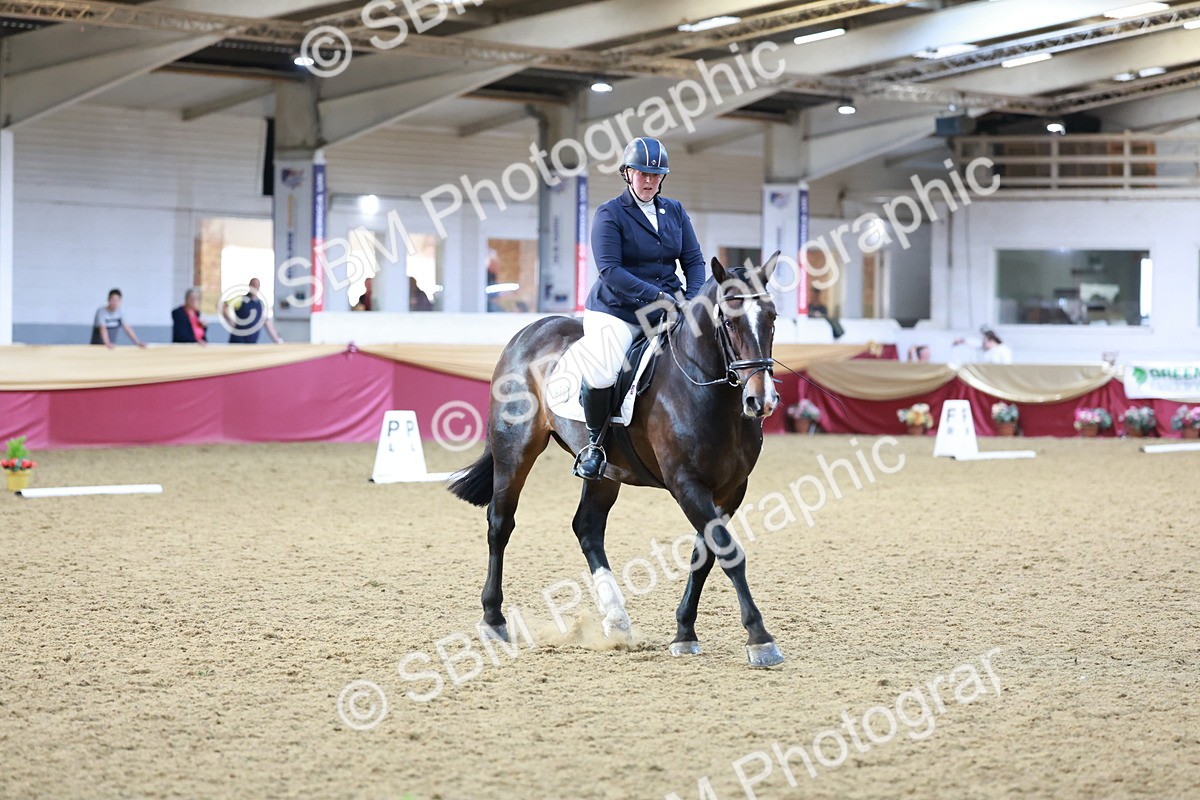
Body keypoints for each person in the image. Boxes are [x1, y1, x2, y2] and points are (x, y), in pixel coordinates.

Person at [572, 136, 706, 481]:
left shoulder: (674, 211)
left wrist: (691, 299)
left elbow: (693, 260)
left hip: (670, 307)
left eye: (655, 174)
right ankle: (595, 446)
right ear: (627, 173)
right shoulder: (610, 214)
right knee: (604, 370)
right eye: (642, 173)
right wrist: (661, 299)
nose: (649, 180)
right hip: (617, 309)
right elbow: (611, 271)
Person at [223, 278, 283, 344]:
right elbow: (223, 306)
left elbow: (266, 322)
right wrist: (229, 320)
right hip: (238, 341)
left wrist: (277, 340)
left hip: (252, 342)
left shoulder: (260, 304)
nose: (254, 287)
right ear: (249, 286)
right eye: (253, 285)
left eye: (256, 286)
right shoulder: (241, 299)